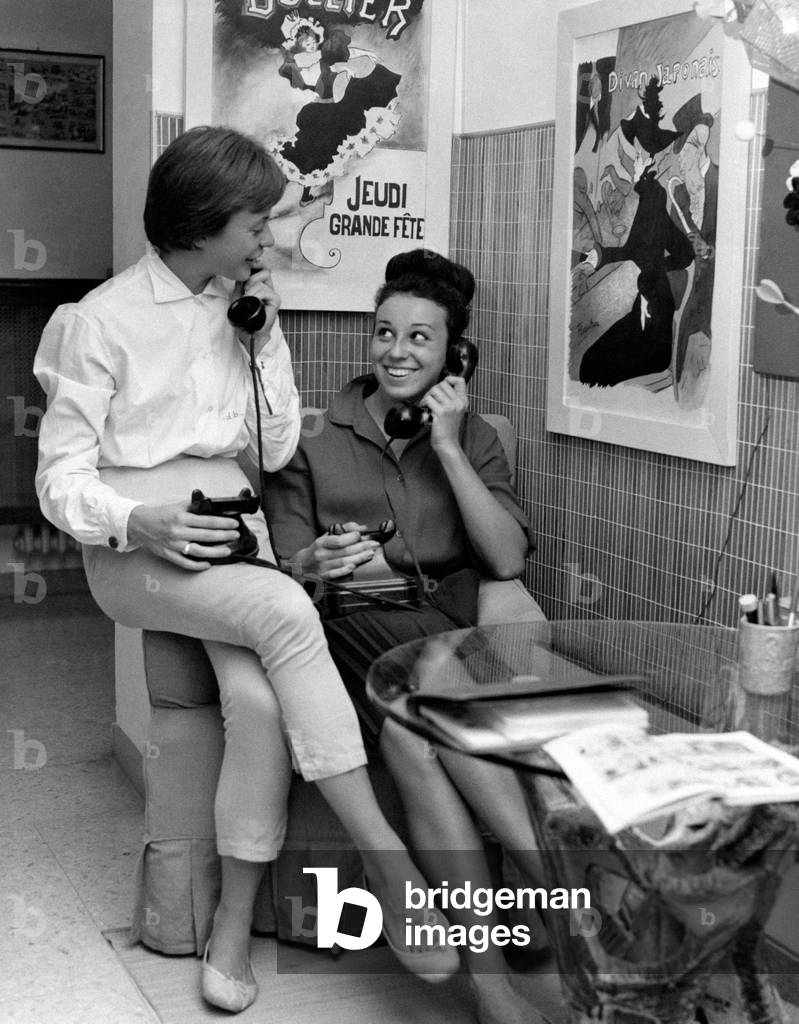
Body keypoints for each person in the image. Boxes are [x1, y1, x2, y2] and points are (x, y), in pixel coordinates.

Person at [33, 127, 458, 1014]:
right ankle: (388, 862)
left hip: (234, 533)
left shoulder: (247, 312)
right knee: (287, 616)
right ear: (200, 223)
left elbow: (273, 446)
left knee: (261, 702)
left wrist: (262, 341)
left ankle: (228, 931)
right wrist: (137, 521)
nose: (269, 237)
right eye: (256, 222)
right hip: (139, 545)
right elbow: (59, 480)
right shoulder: (97, 321)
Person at [266, 248, 551, 1024]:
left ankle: (491, 990)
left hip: (443, 630)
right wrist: (311, 560)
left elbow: (504, 557)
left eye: (420, 338)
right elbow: (283, 568)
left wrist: (451, 445)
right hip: (354, 626)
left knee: (413, 744)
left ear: (454, 353)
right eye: (384, 332)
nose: (396, 351)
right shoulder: (310, 433)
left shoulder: (477, 436)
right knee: (431, 705)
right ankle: (561, 872)